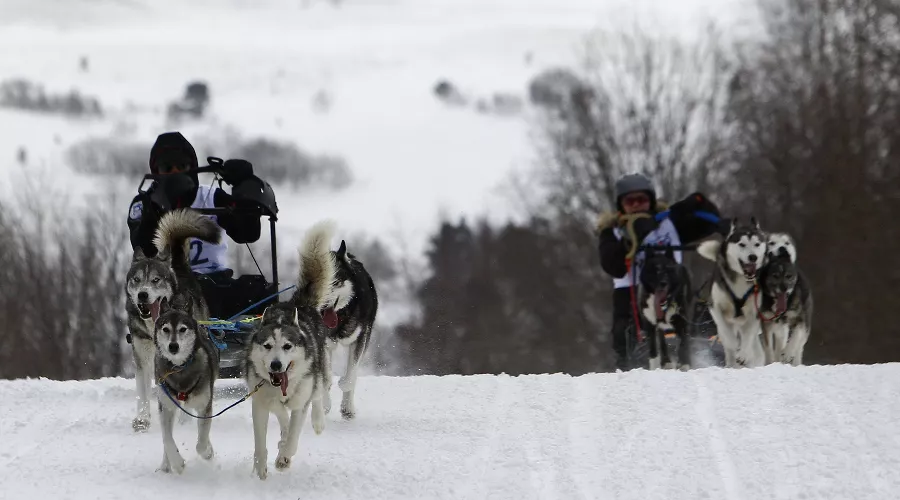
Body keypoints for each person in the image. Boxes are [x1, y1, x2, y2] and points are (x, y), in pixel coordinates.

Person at [596, 173, 723, 371]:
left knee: (691, 320)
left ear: (651, 200)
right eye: (630, 200)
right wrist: (632, 237)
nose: (637, 204)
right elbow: (613, 266)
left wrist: (698, 203)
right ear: (621, 204)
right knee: (624, 339)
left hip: (673, 290)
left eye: (642, 199)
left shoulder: (668, 223)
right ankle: (631, 376)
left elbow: (712, 223)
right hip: (631, 297)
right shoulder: (612, 232)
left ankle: (696, 359)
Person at [127, 131, 261, 284]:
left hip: (215, 282)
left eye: (182, 166)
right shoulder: (145, 203)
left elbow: (248, 233)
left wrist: (245, 187)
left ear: (193, 167)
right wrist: (156, 207)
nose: (175, 173)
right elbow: (143, 251)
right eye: (167, 168)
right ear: (156, 172)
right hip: (168, 289)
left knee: (256, 288)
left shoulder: (212, 197)